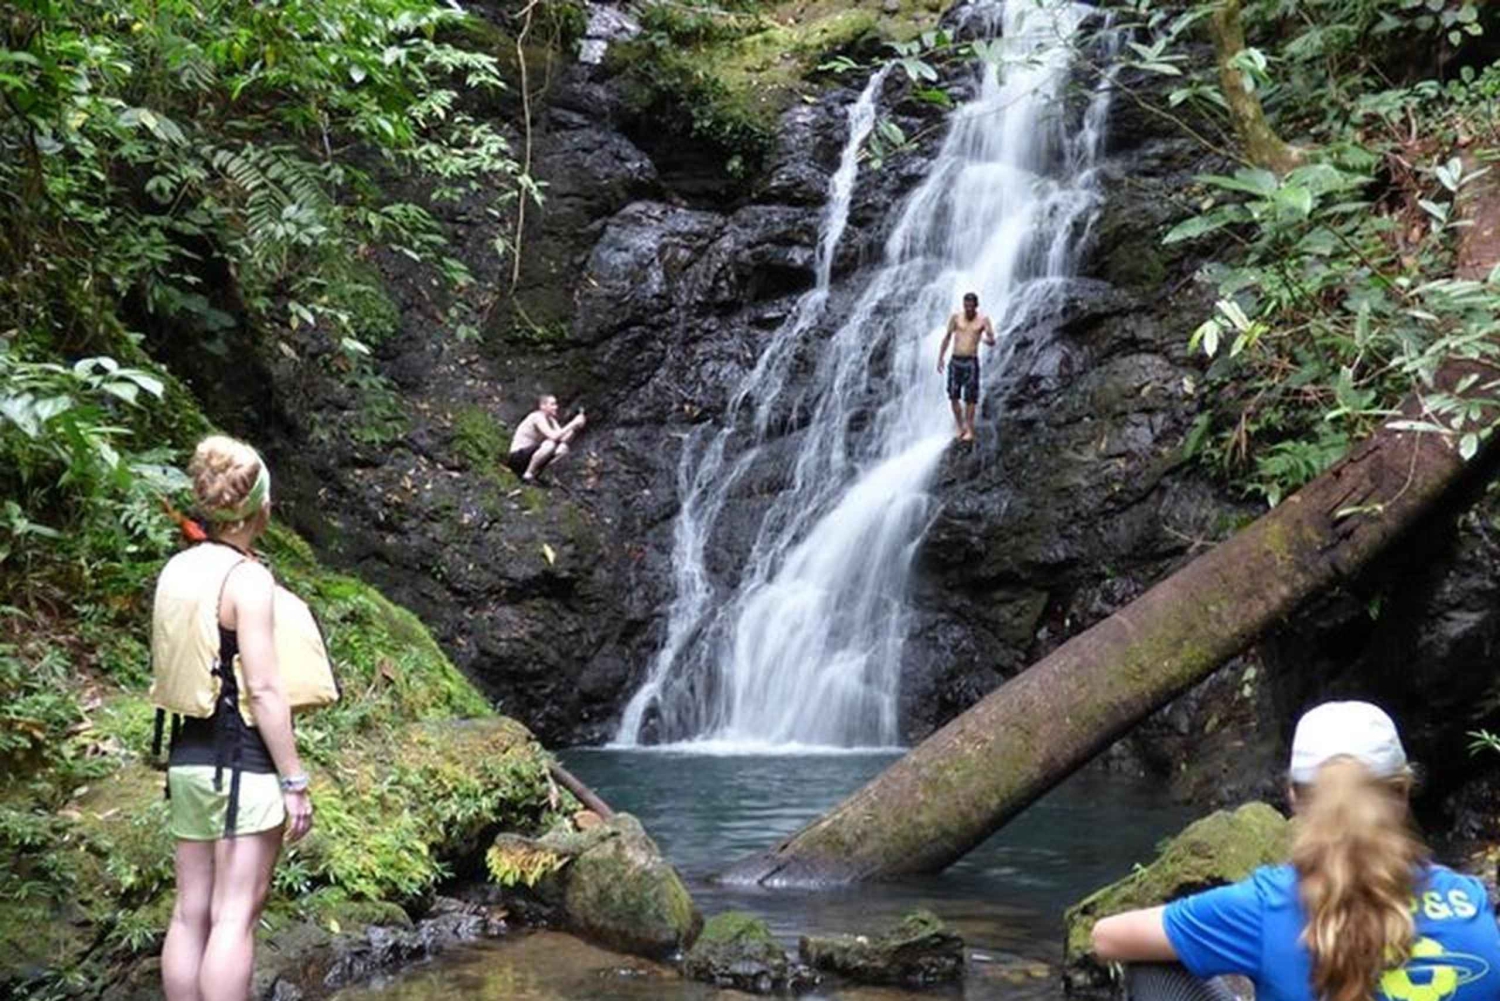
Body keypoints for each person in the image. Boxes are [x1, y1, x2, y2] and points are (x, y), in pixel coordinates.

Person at [1092, 700, 1500, 1001]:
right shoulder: (1471, 903)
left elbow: (1107, 938)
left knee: (1154, 961)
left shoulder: (1267, 904)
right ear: (1403, 792)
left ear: (1293, 797)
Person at [156, 436, 314, 1001]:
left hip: (186, 759)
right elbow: (266, 689)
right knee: (233, 916)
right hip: (243, 762)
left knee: (189, 913)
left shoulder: (178, 569)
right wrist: (294, 780)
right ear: (261, 509)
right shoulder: (249, 580)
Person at [935, 292, 996, 442]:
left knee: (970, 397)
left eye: (971, 306)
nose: (968, 308)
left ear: (976, 306)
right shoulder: (956, 318)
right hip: (955, 360)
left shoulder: (983, 320)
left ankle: (969, 428)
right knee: (953, 395)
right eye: (966, 305)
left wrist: (987, 339)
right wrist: (940, 358)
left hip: (971, 361)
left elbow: (992, 339)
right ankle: (960, 426)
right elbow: (947, 337)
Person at [507, 393, 585, 483]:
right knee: (550, 444)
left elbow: (563, 439)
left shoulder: (552, 420)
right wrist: (573, 423)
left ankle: (536, 474)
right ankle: (527, 475)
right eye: (552, 404)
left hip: (530, 456)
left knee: (563, 448)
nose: (556, 407)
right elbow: (554, 436)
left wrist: (575, 428)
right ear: (543, 406)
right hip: (517, 456)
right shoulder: (537, 417)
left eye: (556, 404)